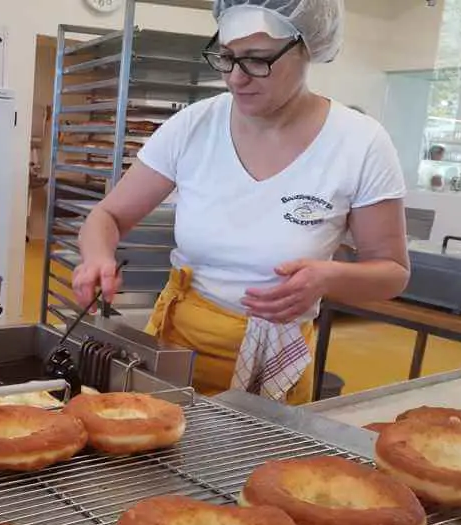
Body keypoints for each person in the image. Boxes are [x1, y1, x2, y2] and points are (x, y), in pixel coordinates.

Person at [72, 0, 409, 405]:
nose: (235, 78)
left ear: (307, 48)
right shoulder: (193, 127)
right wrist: (96, 256)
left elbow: (392, 272)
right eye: (227, 57)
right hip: (177, 356)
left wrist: (328, 278)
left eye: (256, 60)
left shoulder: (360, 143)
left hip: (277, 364)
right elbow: (108, 216)